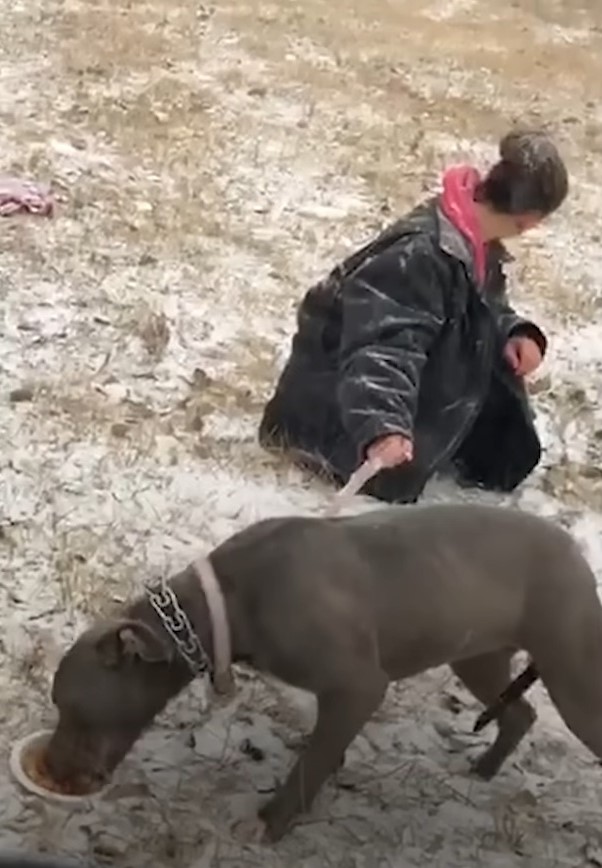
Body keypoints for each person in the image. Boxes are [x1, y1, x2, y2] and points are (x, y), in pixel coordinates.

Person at [259, 129, 569, 504]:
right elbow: (382, 346)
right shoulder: (418, 257)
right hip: (334, 428)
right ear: (530, 220)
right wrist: (383, 427)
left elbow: (478, 308)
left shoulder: (472, 238)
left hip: (403, 406)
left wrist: (513, 333)